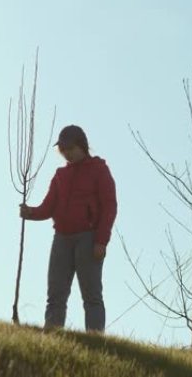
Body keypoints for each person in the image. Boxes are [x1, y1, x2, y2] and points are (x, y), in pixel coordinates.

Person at [20, 125, 118, 332]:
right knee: (55, 294)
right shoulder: (60, 175)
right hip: (62, 238)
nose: (67, 153)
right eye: (63, 150)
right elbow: (48, 208)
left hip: (88, 238)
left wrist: (101, 240)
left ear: (82, 146)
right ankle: (52, 334)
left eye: (70, 148)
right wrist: (30, 213)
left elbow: (110, 206)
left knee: (91, 294)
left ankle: (94, 340)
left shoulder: (99, 170)